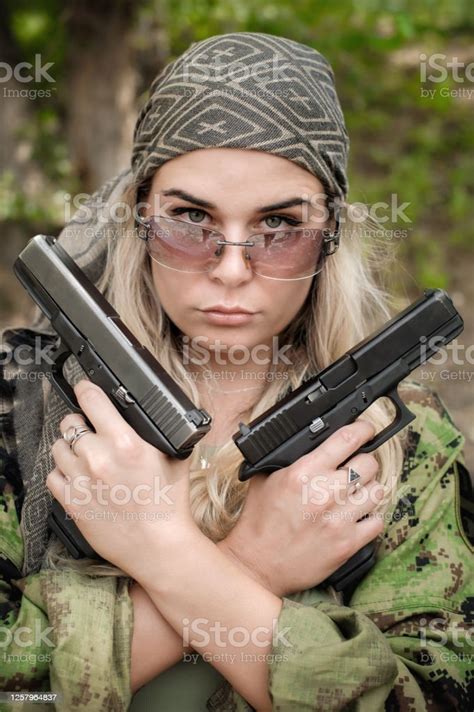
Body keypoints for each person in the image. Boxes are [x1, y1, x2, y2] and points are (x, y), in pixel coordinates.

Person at [0, 32, 472, 712]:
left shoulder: (399, 441)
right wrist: (252, 566)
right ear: (139, 221)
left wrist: (170, 557)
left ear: (330, 238)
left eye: (280, 225)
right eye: (190, 219)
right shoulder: (20, 409)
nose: (229, 268)